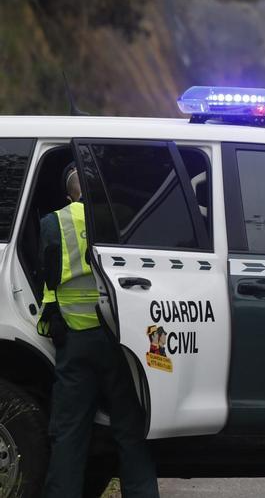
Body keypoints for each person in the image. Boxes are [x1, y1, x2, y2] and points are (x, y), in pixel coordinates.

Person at [38, 165, 159, 497]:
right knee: (129, 432)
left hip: (75, 339)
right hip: (120, 339)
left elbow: (46, 275)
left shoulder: (53, 222)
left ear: (69, 195)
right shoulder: (119, 216)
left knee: (69, 433)